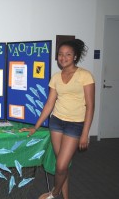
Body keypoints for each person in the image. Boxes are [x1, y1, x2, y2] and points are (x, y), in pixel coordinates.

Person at [20, 39, 95, 199]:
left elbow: (90, 106)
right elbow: (49, 104)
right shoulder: (55, 77)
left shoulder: (85, 75)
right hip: (57, 123)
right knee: (62, 165)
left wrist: (85, 133)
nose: (63, 57)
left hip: (75, 125)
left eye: (68, 54)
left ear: (75, 57)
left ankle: (54, 193)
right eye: (60, 54)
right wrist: (36, 126)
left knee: (61, 165)